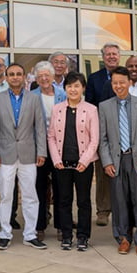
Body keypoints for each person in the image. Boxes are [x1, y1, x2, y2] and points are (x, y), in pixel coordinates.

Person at [0, 63, 47, 250]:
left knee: (30, 195)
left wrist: (41, 152)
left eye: (18, 74)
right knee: (6, 195)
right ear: (6, 77)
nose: (15, 77)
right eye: (11, 74)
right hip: (5, 155)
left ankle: (30, 235)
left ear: (24, 77)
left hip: (29, 154)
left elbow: (39, 127)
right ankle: (5, 234)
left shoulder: (34, 99)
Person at [99, 66, 137, 256]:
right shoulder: (105, 106)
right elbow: (103, 138)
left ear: (129, 83)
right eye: (115, 83)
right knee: (119, 201)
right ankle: (123, 238)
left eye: (122, 82)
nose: (118, 86)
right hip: (116, 160)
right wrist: (106, 162)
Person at [48, 72, 99, 251]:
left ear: (83, 88)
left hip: (83, 164)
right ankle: (67, 235)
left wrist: (85, 161)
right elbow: (51, 137)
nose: (73, 89)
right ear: (65, 89)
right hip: (62, 163)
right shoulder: (57, 109)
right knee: (63, 200)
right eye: (70, 86)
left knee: (83, 201)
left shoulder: (91, 109)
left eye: (77, 86)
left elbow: (95, 139)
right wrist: (56, 159)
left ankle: (83, 236)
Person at [85, 43, 121, 227]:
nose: (111, 57)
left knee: (122, 171)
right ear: (103, 57)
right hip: (102, 130)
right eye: (108, 54)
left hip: (123, 130)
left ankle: (120, 208)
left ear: (119, 56)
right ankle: (103, 210)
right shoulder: (94, 78)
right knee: (103, 172)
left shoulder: (125, 75)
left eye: (114, 54)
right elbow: (90, 104)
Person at [33, 61, 65, 241]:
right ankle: (40, 226)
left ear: (53, 77)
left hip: (60, 148)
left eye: (47, 75)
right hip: (40, 147)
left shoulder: (63, 94)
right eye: (40, 76)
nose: (44, 79)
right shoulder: (31, 96)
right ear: (36, 79)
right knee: (39, 188)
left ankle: (61, 226)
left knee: (61, 188)